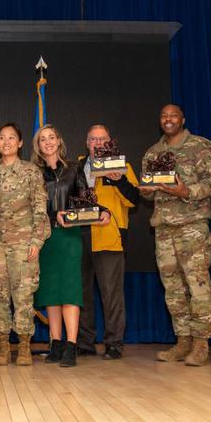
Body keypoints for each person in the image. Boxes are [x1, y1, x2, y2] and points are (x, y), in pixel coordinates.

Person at [140, 104, 211, 367]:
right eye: (163, 116)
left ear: (182, 118)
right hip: (164, 228)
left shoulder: (201, 146)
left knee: (198, 287)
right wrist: (146, 191)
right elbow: (148, 189)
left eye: (173, 115)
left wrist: (186, 191)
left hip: (192, 226)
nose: (168, 119)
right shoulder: (153, 152)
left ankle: (200, 344)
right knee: (173, 289)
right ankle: (183, 340)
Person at [32, 124, 110, 368]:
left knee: (69, 291)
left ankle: (71, 345)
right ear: (38, 145)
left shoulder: (74, 169)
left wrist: (102, 210)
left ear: (59, 140)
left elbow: (86, 198)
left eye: (51, 137)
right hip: (46, 238)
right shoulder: (33, 173)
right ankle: (55, 344)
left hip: (69, 238)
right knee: (51, 293)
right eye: (43, 139)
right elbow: (30, 206)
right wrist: (54, 213)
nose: (48, 142)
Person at [0, 123, 50, 366]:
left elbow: (39, 208)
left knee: (23, 296)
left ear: (20, 143)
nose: (6, 142)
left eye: (12, 137)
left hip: (23, 244)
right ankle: (3, 346)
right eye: (1, 137)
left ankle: (24, 346)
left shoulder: (31, 172)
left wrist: (37, 240)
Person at [77, 124, 140, 360]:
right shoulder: (76, 167)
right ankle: (85, 342)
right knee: (82, 293)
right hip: (80, 236)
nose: (98, 143)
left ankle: (114, 343)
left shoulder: (122, 166)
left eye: (102, 139)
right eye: (93, 139)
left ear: (110, 141)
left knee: (111, 294)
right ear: (87, 142)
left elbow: (134, 199)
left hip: (110, 238)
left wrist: (117, 180)